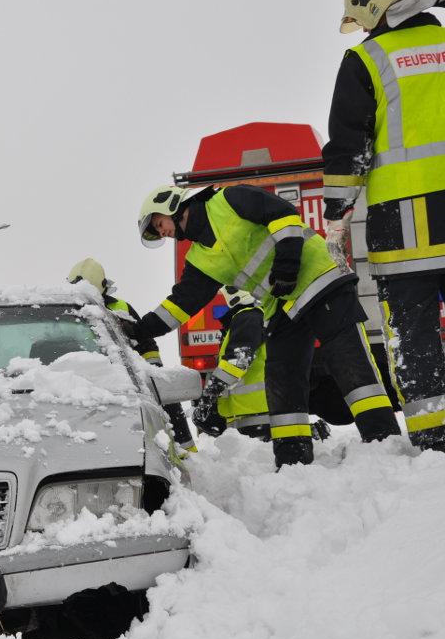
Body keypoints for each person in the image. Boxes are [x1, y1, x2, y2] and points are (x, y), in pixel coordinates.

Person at [134, 183, 400, 468]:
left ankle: (383, 442)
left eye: (159, 224)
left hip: (320, 280)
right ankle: (292, 461)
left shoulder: (228, 199)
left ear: (171, 205)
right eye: (157, 232)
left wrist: (288, 263)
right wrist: (138, 331)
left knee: (348, 362)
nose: (162, 232)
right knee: (282, 378)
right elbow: (181, 303)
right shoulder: (199, 258)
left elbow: (283, 215)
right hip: (281, 306)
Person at [323, 0, 445, 452]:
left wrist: (337, 217)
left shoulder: (367, 61)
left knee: (414, 337)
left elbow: (349, 149)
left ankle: (436, 441)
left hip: (405, 228)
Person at [67, 258, 196, 454]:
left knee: (168, 403)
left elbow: (145, 340)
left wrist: (154, 371)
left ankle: (188, 454)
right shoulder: (66, 311)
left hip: (125, 379)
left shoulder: (120, 307)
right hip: (84, 383)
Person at [193, 286, 336, 441]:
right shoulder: (264, 317)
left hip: (257, 417)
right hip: (265, 414)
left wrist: (208, 396)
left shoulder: (249, 317)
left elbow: (238, 360)